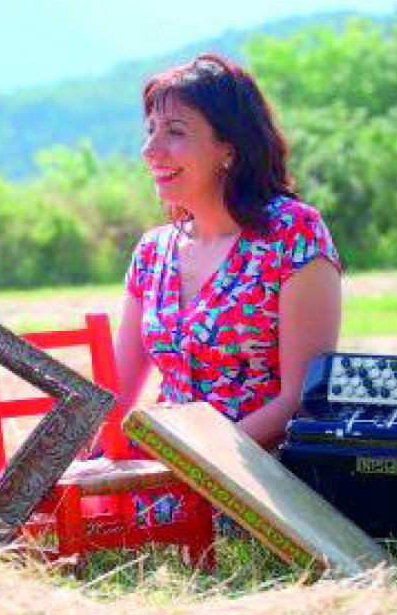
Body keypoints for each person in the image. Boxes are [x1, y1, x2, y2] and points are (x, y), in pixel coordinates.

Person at [117, 54, 341, 451]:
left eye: (175, 132)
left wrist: (197, 465)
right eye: (150, 130)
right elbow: (114, 394)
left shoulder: (292, 235)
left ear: (229, 148)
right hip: (162, 481)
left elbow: (300, 399)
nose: (151, 149)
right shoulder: (152, 253)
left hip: (256, 488)